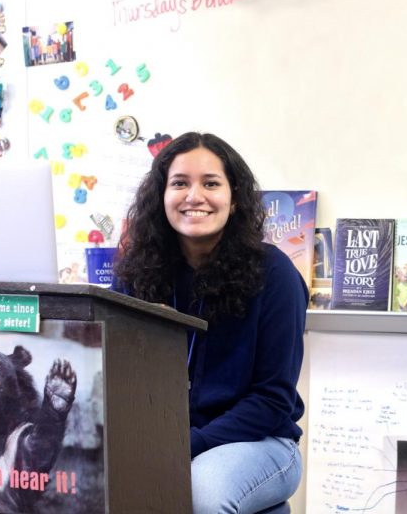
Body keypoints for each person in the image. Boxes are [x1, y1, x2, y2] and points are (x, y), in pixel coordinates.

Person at [113, 132, 306, 514]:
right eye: (180, 183)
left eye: (211, 183)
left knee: (201, 492)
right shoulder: (135, 274)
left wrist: (185, 445)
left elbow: (272, 401)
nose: (194, 196)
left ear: (234, 199)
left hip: (261, 441)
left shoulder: (275, 274)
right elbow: (116, 378)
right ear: (160, 197)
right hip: (161, 440)